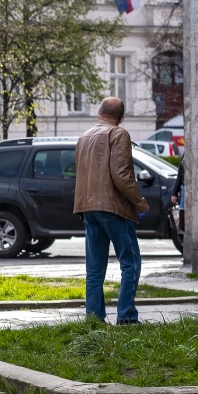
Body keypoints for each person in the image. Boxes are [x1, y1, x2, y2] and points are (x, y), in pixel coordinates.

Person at [73, 97, 149, 325]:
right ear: (122, 117)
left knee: (94, 269)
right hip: (113, 207)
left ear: (99, 113)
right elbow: (122, 176)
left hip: (88, 208)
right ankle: (126, 317)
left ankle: (94, 319)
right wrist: (140, 203)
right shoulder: (119, 134)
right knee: (130, 262)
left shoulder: (83, 137)